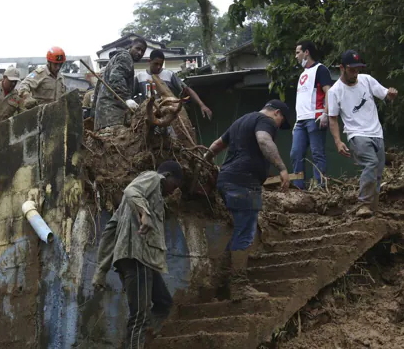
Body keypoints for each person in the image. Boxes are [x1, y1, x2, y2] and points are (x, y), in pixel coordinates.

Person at [204, 100, 292, 301]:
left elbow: (217, 145)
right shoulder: (265, 121)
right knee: (244, 232)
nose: (278, 126)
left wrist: (204, 161)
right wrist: (282, 168)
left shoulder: (241, 121)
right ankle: (239, 286)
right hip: (244, 183)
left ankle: (223, 283)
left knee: (239, 230)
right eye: (281, 121)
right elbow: (263, 140)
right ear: (277, 113)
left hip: (226, 180)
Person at [92, 161, 183, 348]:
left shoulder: (130, 204)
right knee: (139, 316)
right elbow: (131, 190)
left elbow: (110, 231)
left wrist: (100, 270)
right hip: (137, 258)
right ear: (167, 175)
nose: (173, 191)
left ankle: (143, 338)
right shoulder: (153, 178)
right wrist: (145, 213)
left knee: (163, 303)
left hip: (143, 260)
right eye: (174, 185)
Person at [328, 50, 398, 217]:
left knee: (378, 173)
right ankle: (363, 204)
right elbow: (332, 119)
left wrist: (391, 94)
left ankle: (372, 210)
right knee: (371, 163)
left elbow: (385, 95)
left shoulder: (366, 80)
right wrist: (338, 141)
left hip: (376, 133)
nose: (355, 73)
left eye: (358, 69)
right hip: (356, 133)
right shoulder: (335, 91)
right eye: (352, 69)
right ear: (342, 68)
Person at [291, 41, 333, 189]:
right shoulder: (303, 74)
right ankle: (298, 188)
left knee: (317, 154)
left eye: (298, 52)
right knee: (296, 153)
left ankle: (319, 188)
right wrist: (296, 121)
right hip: (301, 121)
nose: (296, 56)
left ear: (306, 52)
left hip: (315, 118)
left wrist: (326, 114)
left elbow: (329, 91)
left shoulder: (320, 69)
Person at [134, 49, 212, 120]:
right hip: (148, 117)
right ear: (149, 61)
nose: (158, 67)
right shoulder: (140, 77)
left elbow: (187, 89)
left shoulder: (169, 74)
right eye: (156, 64)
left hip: (168, 116)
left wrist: (202, 105)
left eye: (160, 64)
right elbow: (129, 96)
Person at [94, 38, 148, 131]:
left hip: (104, 113)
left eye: (142, 51)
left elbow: (99, 85)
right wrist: (127, 98)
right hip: (112, 114)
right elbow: (116, 78)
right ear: (131, 47)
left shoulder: (117, 58)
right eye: (137, 48)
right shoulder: (125, 58)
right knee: (116, 143)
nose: (139, 53)